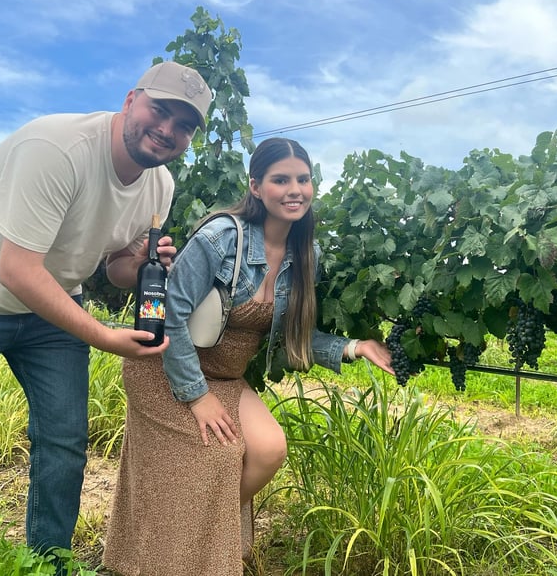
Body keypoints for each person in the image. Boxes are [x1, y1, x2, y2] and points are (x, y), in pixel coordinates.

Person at [0, 61, 212, 558]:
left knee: (64, 445)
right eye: (161, 111)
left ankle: (49, 564)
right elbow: (17, 270)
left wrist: (136, 265)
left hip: (52, 307)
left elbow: (114, 265)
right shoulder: (57, 148)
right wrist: (103, 337)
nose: (168, 131)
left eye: (184, 125)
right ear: (130, 99)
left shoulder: (161, 185)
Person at [102, 137, 394, 575]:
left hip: (224, 375)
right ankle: (177, 556)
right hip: (164, 367)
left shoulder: (305, 253)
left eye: (303, 179)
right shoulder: (223, 237)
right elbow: (170, 315)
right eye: (281, 180)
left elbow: (293, 333)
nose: (294, 189)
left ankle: (193, 542)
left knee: (269, 449)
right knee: (217, 456)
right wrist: (196, 396)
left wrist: (355, 347)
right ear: (256, 187)